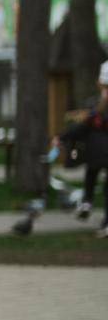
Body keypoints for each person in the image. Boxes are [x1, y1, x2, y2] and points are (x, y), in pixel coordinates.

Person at [54, 60, 108, 235]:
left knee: (91, 174)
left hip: (96, 150)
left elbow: (82, 126)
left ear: (99, 83)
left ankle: (87, 201)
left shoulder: (96, 106)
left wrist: (62, 137)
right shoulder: (96, 107)